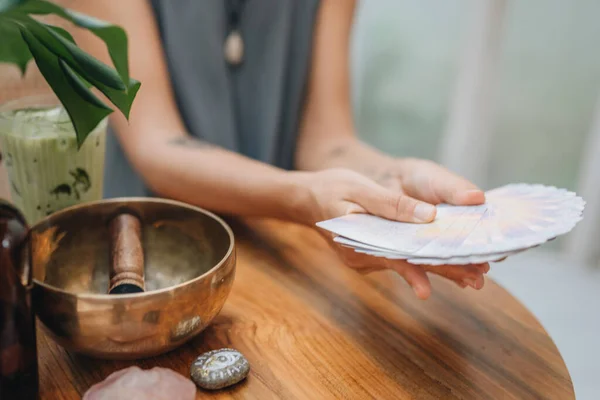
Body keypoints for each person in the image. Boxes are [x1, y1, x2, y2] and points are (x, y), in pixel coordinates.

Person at [73, 0, 490, 300]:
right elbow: (155, 143)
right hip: (150, 258)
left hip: (281, 254)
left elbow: (326, 140)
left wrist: (392, 177)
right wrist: (304, 196)